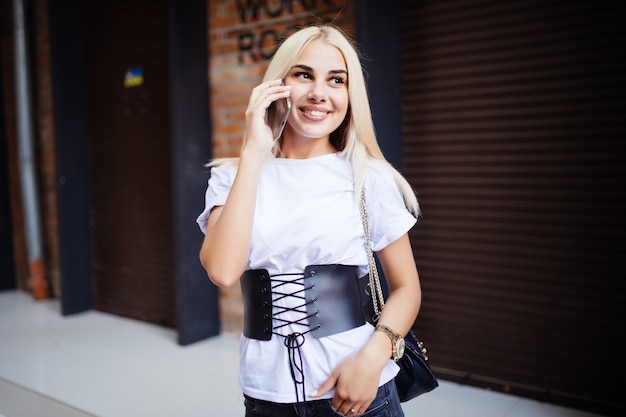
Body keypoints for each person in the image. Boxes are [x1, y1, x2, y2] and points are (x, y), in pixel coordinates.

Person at [197, 23, 421, 417]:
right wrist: (253, 152)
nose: (319, 93)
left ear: (350, 96)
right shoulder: (232, 177)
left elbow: (406, 289)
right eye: (304, 75)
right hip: (266, 397)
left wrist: (371, 361)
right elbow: (222, 270)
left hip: (359, 392)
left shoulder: (369, 178)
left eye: (337, 80)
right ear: (277, 84)